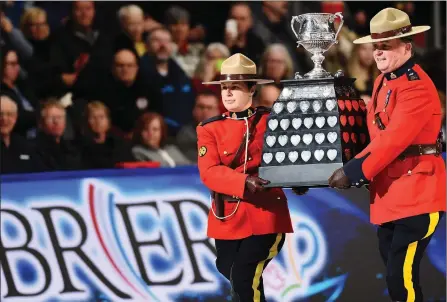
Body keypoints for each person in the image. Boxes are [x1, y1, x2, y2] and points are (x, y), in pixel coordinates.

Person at [328, 8, 446, 302]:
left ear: (407, 46)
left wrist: (353, 171)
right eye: (376, 45)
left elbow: (392, 141)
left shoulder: (415, 87)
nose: (378, 52)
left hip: (417, 193)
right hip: (392, 192)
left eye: (386, 45)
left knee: (400, 278)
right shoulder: (385, 80)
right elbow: (377, 136)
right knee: (397, 278)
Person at [198, 53, 307, 301]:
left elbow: (294, 153)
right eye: (224, 87)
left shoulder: (271, 120)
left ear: (251, 89)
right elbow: (209, 172)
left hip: (265, 214)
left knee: (244, 275)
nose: (227, 93)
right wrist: (244, 181)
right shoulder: (209, 128)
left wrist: (300, 178)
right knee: (230, 271)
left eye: (234, 87)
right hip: (226, 214)